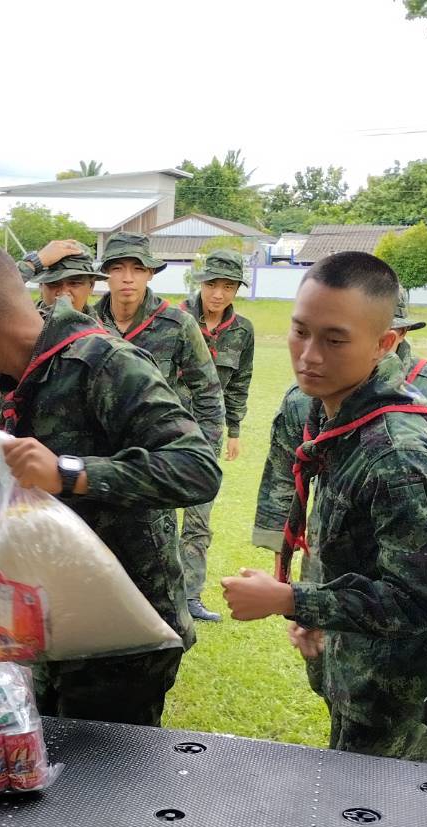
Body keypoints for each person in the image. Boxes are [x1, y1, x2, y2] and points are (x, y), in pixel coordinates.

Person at [0, 240, 220, 726]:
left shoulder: (105, 363)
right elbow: (19, 479)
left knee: (105, 772)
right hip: (47, 623)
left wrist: (71, 473)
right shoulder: (8, 383)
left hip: (122, 637)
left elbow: (196, 468)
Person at [223, 252, 427, 762]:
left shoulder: (394, 451)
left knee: (376, 804)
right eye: (300, 331)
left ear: (384, 343)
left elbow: (417, 602)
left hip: (391, 685)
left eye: (334, 340)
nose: (309, 355)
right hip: (352, 655)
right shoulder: (330, 409)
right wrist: (316, 608)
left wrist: (291, 600)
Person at [253, 286, 427, 605]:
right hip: (327, 564)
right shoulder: (308, 395)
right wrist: (286, 581)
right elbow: (283, 478)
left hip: (412, 564)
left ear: (398, 335)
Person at [94, 232, 225, 624]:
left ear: (150, 274)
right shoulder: (86, 321)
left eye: (137, 269)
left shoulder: (177, 324)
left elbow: (208, 391)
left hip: (155, 458)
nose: (127, 278)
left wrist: (202, 456)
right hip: (99, 458)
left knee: (155, 555)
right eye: (118, 268)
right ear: (105, 274)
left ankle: (171, 619)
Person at [179, 249, 256, 621]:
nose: (218, 294)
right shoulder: (174, 319)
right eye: (212, 285)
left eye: (228, 287)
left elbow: (240, 381)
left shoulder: (243, 331)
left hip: (208, 437)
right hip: (165, 432)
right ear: (201, 283)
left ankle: (189, 596)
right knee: (154, 518)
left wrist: (234, 428)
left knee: (198, 519)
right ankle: (151, 595)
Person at [31, 249, 106, 317]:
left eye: (74, 283)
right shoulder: (25, 324)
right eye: (54, 283)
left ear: (91, 286)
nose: (63, 294)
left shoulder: (104, 325)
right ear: (41, 286)